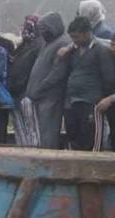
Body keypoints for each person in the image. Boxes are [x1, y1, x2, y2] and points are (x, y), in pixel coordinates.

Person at [58, 16, 115, 151]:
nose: (74, 41)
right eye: (72, 38)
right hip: (72, 101)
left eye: (77, 37)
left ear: (87, 33)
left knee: (90, 140)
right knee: (73, 137)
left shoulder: (101, 51)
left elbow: (109, 78)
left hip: (90, 102)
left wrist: (100, 98)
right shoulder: (73, 50)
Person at [23, 12, 72, 150]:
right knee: (41, 130)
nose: (43, 32)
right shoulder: (48, 43)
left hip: (50, 96)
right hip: (40, 96)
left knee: (49, 131)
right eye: (41, 29)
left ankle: (49, 159)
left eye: (45, 29)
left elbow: (58, 73)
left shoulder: (62, 43)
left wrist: (41, 87)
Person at [8, 15, 44, 146]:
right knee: (20, 128)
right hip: (16, 93)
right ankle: (23, 152)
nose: (26, 29)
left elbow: (36, 71)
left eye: (30, 25)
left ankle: (34, 155)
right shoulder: (23, 45)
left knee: (32, 128)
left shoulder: (39, 46)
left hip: (28, 94)